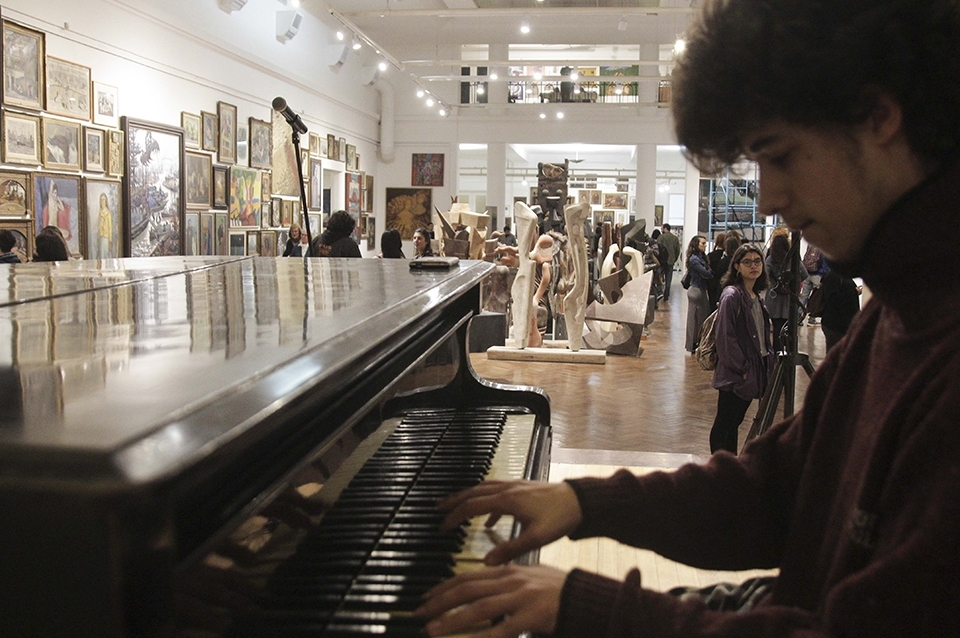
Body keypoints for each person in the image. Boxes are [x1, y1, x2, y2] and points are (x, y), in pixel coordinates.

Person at [414, 0, 960, 636]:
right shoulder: (896, 313)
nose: (769, 197)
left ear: (879, 118)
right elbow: (778, 490)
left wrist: (591, 606)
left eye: (781, 156)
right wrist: (585, 501)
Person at [709, 244, 775, 454]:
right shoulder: (731, 296)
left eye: (757, 261)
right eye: (747, 262)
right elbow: (725, 337)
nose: (754, 266)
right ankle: (719, 466)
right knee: (725, 424)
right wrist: (742, 368)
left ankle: (729, 464)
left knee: (734, 423)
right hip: (737, 373)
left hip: (753, 369)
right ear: (737, 266)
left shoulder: (755, 295)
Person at [764, 233, 806, 352]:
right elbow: (804, 274)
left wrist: (774, 284)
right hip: (789, 298)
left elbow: (764, 276)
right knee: (790, 328)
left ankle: (777, 353)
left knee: (776, 328)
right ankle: (789, 351)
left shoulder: (770, 259)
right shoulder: (793, 260)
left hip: (774, 298)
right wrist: (792, 283)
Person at [819, 270, 861, 351]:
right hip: (835, 324)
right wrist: (854, 292)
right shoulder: (834, 277)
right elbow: (833, 298)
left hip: (843, 324)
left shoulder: (844, 275)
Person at [683, 234, 712, 353]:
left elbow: (707, 272)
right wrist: (708, 273)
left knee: (700, 318)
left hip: (700, 289)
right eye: (703, 243)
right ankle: (693, 344)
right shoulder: (694, 259)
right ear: (696, 244)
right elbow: (706, 273)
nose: (705, 246)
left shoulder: (700, 258)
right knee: (695, 320)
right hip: (696, 290)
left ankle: (697, 343)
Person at [657, 222, 681, 301]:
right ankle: (666, 295)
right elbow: (677, 250)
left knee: (659, 277)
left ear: (665, 228)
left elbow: (657, 248)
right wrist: (674, 259)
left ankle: (659, 294)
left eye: (662, 228)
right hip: (670, 261)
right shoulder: (675, 238)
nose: (661, 230)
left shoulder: (661, 237)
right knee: (668, 279)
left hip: (661, 261)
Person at [705, 231, 728, 310]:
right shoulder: (726, 257)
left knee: (712, 305)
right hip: (723, 283)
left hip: (712, 283)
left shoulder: (710, 255)